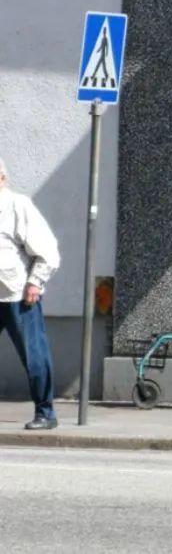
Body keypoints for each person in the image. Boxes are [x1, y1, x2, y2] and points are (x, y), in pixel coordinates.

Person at [0, 157, 60, 429]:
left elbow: (47, 250)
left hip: (17, 295)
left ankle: (45, 413)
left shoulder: (17, 205)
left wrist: (35, 282)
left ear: (2, 178)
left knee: (33, 354)